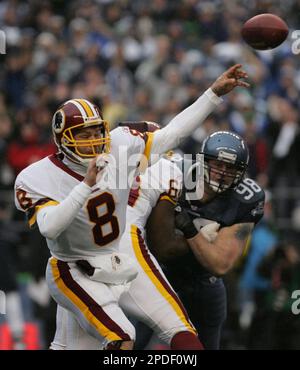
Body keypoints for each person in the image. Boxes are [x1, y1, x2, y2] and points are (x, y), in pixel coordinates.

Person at [14, 65, 249, 350]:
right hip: (75, 267)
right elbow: (49, 226)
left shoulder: (120, 144)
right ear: (62, 140)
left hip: (121, 256)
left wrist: (212, 94)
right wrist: (86, 185)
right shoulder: (35, 177)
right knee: (121, 338)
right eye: (82, 135)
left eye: (95, 131)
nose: (93, 141)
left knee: (182, 333)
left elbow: (172, 134)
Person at [144, 131, 265, 349]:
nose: (222, 173)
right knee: (130, 339)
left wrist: (188, 228)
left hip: (202, 282)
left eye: (231, 168)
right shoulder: (176, 172)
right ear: (202, 161)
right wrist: (203, 239)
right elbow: (161, 246)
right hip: (156, 273)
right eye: (217, 164)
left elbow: (220, 263)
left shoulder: (246, 197)